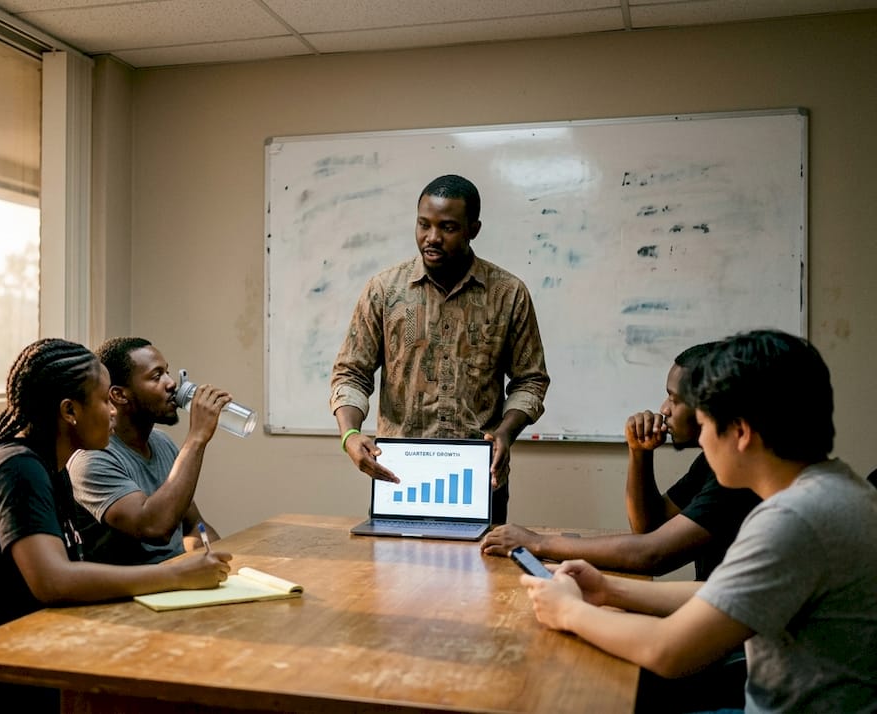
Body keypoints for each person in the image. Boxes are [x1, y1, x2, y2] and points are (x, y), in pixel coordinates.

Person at [521, 330, 877, 713]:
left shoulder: (794, 520)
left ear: (741, 432)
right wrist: (606, 590)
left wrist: (569, 612)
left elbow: (668, 650)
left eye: (705, 425)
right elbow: (722, 592)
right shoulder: (838, 489)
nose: (702, 441)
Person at [0, 338, 232, 641]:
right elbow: (53, 581)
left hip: (37, 637)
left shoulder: (53, 469)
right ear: (69, 411)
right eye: (105, 401)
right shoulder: (18, 469)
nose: (114, 413)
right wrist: (176, 576)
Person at [330, 174, 550, 522]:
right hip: (399, 478)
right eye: (423, 225)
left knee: (482, 576)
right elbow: (351, 373)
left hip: (480, 478)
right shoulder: (384, 291)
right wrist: (350, 435)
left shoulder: (508, 294)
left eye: (447, 227)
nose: (432, 238)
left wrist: (506, 433)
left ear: (472, 229)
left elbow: (530, 380)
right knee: (391, 577)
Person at [481, 342, 761, 580]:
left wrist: (538, 543)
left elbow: (653, 553)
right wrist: (640, 452)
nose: (664, 409)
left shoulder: (738, 476)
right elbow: (649, 528)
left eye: (674, 399)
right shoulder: (710, 464)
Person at [68, 337, 228, 565]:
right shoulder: (92, 460)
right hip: (134, 593)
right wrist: (197, 438)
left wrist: (220, 561)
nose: (171, 383)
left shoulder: (162, 443)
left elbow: (193, 524)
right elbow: (154, 527)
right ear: (119, 395)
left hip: (176, 580)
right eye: (156, 376)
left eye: (167, 372)